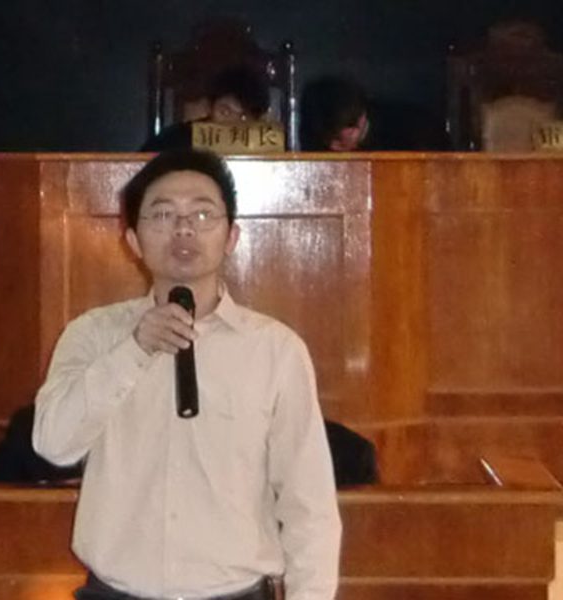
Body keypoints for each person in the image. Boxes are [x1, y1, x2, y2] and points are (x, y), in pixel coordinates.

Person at [32, 149, 341, 600]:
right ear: (133, 240)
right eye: (162, 215)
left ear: (231, 236)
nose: (183, 228)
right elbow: (53, 443)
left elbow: (308, 502)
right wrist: (133, 350)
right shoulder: (93, 335)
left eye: (202, 213)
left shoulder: (275, 350)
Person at [299, 76, 448, 152]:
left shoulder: (412, 130)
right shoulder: (314, 137)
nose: (334, 147)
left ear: (359, 121)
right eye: (330, 142)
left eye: (338, 140)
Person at [141, 66, 271, 151]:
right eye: (225, 112)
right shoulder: (174, 140)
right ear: (209, 108)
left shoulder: (267, 145)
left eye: (243, 117)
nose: (232, 123)